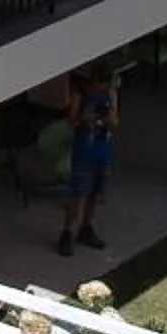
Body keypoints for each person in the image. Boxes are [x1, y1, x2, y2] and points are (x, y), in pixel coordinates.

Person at [57, 60, 119, 258]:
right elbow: (71, 123)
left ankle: (86, 228)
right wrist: (84, 118)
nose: (104, 87)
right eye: (102, 83)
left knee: (94, 194)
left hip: (102, 151)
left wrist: (108, 118)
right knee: (78, 195)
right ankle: (66, 232)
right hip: (83, 152)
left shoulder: (110, 95)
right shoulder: (80, 95)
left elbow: (115, 123)